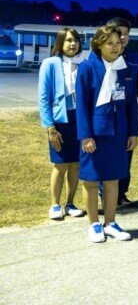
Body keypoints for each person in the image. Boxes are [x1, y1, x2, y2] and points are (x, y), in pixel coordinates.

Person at [76, 24, 138, 243]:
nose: (114, 47)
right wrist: (85, 135)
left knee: (113, 180)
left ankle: (110, 223)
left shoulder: (126, 69)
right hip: (94, 134)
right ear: (98, 44)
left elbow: (131, 104)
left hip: (118, 134)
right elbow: (82, 104)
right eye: (109, 43)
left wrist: (133, 132)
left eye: (118, 43)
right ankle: (94, 224)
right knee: (91, 180)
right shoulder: (87, 68)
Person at [38, 27, 85, 220]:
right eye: (68, 40)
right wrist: (50, 127)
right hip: (60, 121)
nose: (73, 44)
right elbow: (43, 98)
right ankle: (55, 204)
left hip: (80, 119)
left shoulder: (83, 64)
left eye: (75, 40)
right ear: (60, 43)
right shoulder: (50, 64)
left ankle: (70, 203)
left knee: (75, 164)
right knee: (60, 164)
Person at [101, 17, 138, 207]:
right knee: (106, 157)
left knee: (126, 156)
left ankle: (121, 194)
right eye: (120, 33)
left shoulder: (134, 58)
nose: (123, 37)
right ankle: (105, 195)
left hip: (127, 117)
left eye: (127, 33)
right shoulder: (98, 58)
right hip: (105, 117)